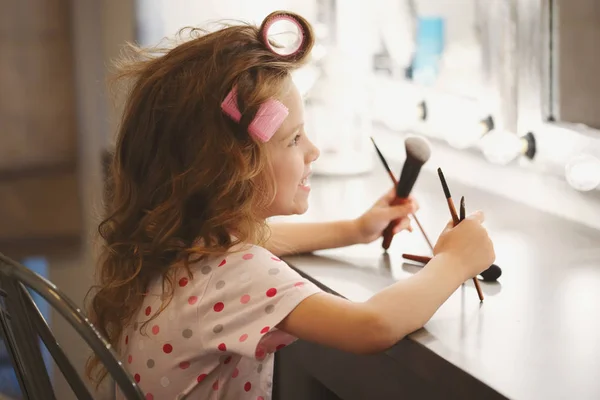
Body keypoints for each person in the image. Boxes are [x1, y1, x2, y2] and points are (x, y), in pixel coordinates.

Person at [85, 10, 495, 400]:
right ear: (232, 168)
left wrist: (355, 229)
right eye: (294, 139)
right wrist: (455, 261)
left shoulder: (178, 243)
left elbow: (266, 238)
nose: (314, 151)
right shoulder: (239, 274)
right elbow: (374, 326)